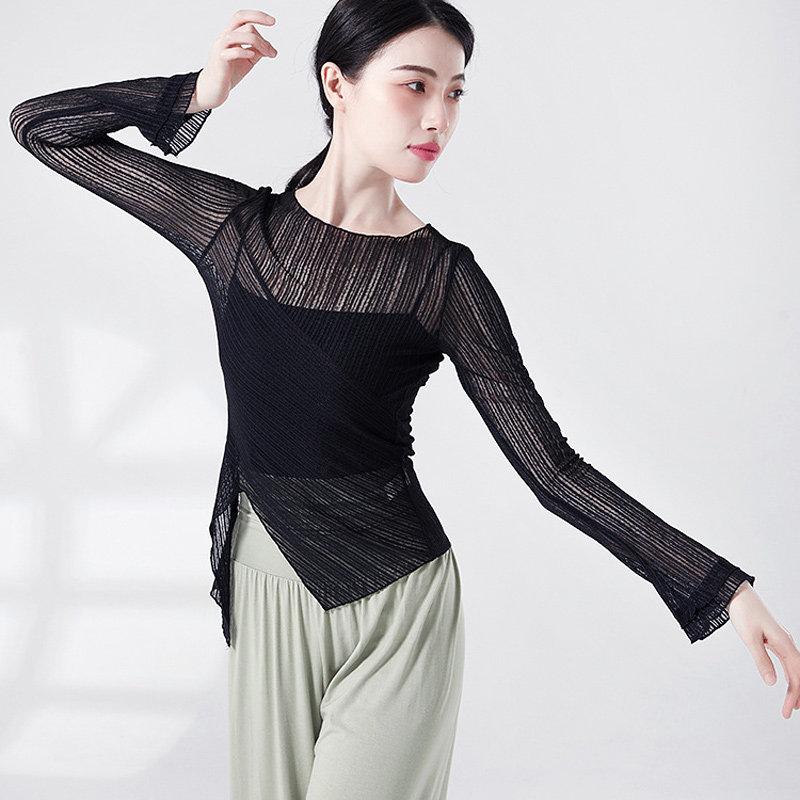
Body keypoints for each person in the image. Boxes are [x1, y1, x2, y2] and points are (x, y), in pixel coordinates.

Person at [9, 2, 800, 798]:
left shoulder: (441, 280)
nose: (438, 118)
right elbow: (40, 128)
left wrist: (719, 587)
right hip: (263, 581)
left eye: (455, 92)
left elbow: (552, 469)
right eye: (415, 85)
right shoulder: (233, 233)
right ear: (337, 84)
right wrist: (198, 91)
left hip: (397, 606)